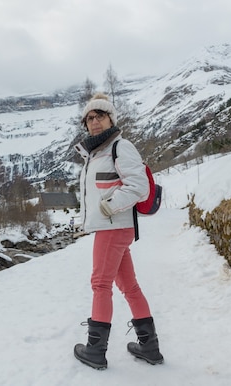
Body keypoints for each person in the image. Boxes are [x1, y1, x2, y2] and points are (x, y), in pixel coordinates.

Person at [72, 93, 164, 370]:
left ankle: (95, 351)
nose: (95, 121)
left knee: (100, 284)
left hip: (113, 227)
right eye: (90, 117)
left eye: (100, 115)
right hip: (113, 227)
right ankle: (149, 347)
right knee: (129, 286)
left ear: (111, 119)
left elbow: (138, 187)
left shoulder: (120, 146)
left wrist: (110, 207)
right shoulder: (96, 152)